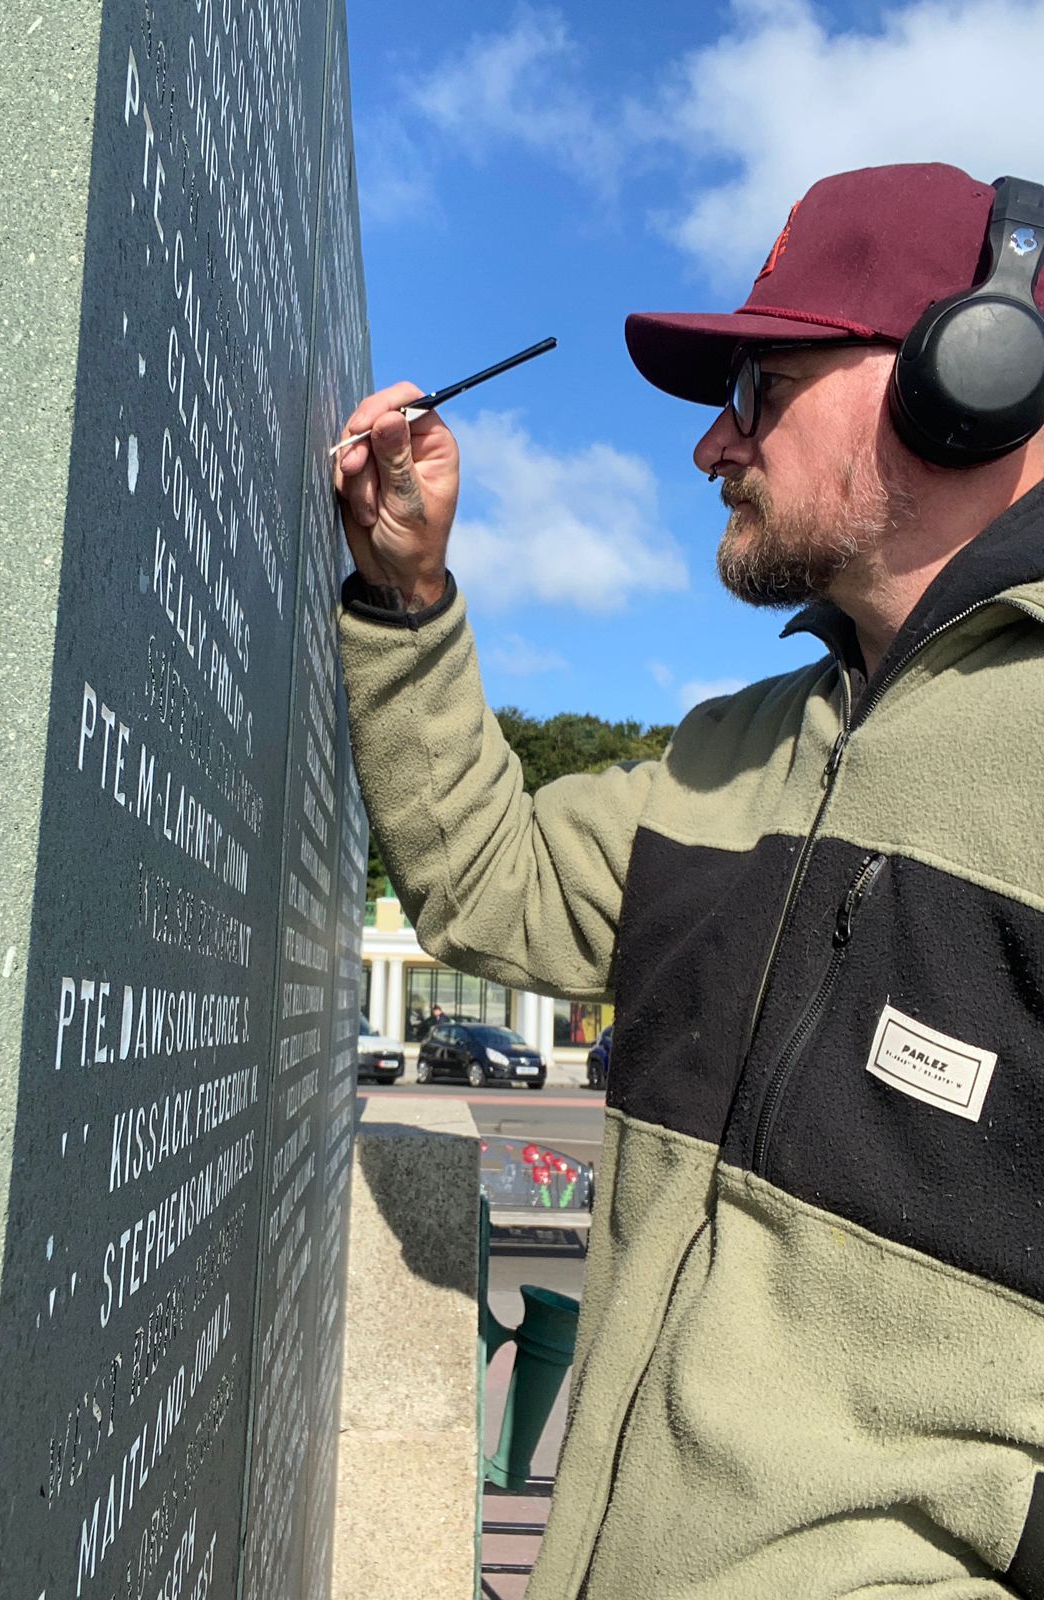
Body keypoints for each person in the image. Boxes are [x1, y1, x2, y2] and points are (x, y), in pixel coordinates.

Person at [334, 162, 1044, 1598]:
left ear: (973, 372)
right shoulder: (728, 755)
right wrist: (407, 596)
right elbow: (490, 883)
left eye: (760, 389)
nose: (713, 447)